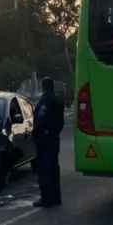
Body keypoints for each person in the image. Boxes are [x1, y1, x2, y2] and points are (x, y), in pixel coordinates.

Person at [32, 77, 65, 208]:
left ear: (43, 87)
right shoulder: (57, 100)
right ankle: (56, 197)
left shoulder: (46, 100)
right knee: (53, 168)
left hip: (45, 138)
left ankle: (46, 199)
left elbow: (41, 119)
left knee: (45, 169)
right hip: (54, 137)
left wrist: (36, 134)